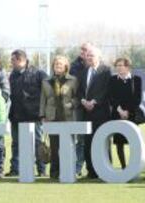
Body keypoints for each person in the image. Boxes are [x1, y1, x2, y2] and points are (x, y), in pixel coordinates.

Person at [6, 49, 48, 177]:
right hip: (16, 115)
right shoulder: (13, 75)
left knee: (37, 143)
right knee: (16, 144)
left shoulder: (38, 74)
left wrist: (43, 112)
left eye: (13, 60)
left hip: (33, 116)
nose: (11, 63)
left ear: (20, 60)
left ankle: (41, 170)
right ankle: (15, 169)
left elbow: (47, 94)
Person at [40, 55, 78, 179]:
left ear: (66, 66)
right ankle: (54, 173)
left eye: (60, 64)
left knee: (68, 146)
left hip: (68, 117)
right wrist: (42, 115)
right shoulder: (46, 81)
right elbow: (43, 99)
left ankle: (68, 171)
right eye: (56, 64)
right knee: (54, 147)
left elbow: (78, 97)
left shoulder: (73, 80)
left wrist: (71, 104)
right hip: (52, 117)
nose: (58, 66)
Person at [77, 47, 111, 179]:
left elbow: (106, 89)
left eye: (92, 55)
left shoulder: (105, 71)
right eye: (88, 55)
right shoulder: (83, 72)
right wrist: (83, 101)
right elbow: (79, 90)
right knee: (88, 142)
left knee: (103, 141)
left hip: (101, 112)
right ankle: (91, 171)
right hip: (86, 112)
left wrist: (94, 102)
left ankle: (106, 170)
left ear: (98, 57)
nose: (89, 57)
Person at [108, 57, 142, 169]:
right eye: (117, 66)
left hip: (131, 115)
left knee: (133, 142)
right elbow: (111, 97)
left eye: (121, 65)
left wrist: (127, 111)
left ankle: (134, 166)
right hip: (117, 114)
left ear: (127, 67)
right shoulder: (112, 80)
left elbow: (137, 98)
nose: (118, 68)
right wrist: (120, 110)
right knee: (119, 142)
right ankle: (123, 167)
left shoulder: (136, 79)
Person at [69, 42, 92, 176]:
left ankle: (92, 168)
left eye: (86, 49)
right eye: (82, 49)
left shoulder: (97, 64)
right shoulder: (74, 66)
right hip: (79, 106)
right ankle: (77, 167)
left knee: (94, 138)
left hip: (95, 107)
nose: (83, 52)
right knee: (80, 139)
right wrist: (82, 100)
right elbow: (75, 85)